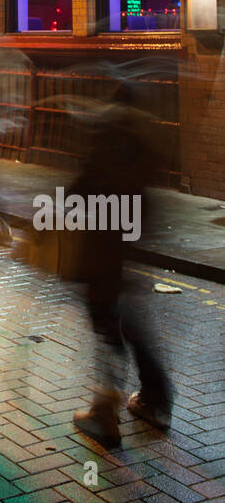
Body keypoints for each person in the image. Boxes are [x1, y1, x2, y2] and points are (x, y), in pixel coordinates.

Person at [71, 88, 173, 449]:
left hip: (102, 238)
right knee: (125, 319)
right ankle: (155, 399)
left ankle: (105, 415)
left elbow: (86, 184)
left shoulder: (106, 129)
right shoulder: (142, 133)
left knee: (106, 321)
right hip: (127, 236)